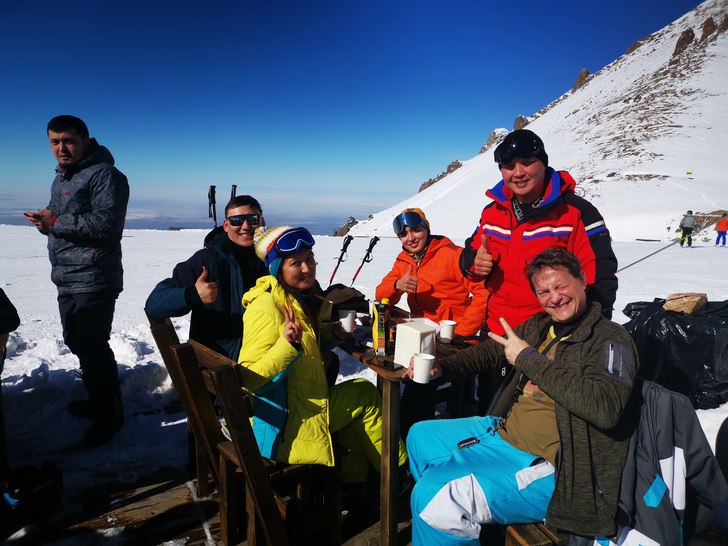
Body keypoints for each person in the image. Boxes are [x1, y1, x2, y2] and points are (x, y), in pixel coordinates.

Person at [405, 248, 638, 544]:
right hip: (501, 433)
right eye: (544, 292)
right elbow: (490, 352)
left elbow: (605, 408)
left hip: (553, 467)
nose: (555, 298)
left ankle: (449, 506)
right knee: (420, 436)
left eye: (561, 286)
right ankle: (459, 514)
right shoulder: (540, 326)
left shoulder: (609, 339)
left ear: (582, 280)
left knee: (433, 497)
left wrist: (528, 359)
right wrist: (443, 367)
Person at [460, 129, 618, 409]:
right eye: (509, 166)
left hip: (549, 343)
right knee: (490, 412)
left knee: (536, 420)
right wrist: (475, 263)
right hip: (498, 334)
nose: (518, 172)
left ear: (543, 163)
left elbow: (601, 278)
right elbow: (467, 258)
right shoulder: (492, 212)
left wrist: (586, 339)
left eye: (527, 162)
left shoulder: (576, 213)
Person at [239, 225, 408, 488]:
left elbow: (306, 348)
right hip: (286, 426)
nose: (307, 268)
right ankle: (399, 476)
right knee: (364, 396)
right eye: (296, 263)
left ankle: (356, 484)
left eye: (309, 259)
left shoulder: (294, 298)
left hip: (296, 407)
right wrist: (286, 345)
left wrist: (332, 334)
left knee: (358, 399)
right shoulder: (265, 307)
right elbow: (249, 378)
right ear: (277, 269)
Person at [24, 115, 129, 447]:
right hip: (67, 274)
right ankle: (98, 399)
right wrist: (46, 221)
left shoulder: (105, 175)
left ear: (85, 140)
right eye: (54, 142)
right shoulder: (62, 176)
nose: (61, 148)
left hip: (95, 275)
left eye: (68, 140)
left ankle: (110, 413)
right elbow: (63, 218)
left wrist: (55, 221)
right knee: (77, 341)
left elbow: (106, 226)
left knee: (93, 345)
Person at [145, 195, 268, 361]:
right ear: (226, 225)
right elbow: (154, 303)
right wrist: (193, 295)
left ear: (262, 222)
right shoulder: (207, 261)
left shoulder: (275, 261)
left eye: (252, 219)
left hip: (266, 356)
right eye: (236, 220)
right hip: (221, 364)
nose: (245, 226)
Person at [376, 207, 489, 338]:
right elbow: (380, 297)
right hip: (419, 333)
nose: (410, 238)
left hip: (451, 338)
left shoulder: (453, 255)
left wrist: (462, 333)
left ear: (427, 229)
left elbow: (483, 293)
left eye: (416, 230)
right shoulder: (403, 261)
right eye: (403, 234)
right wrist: (396, 285)